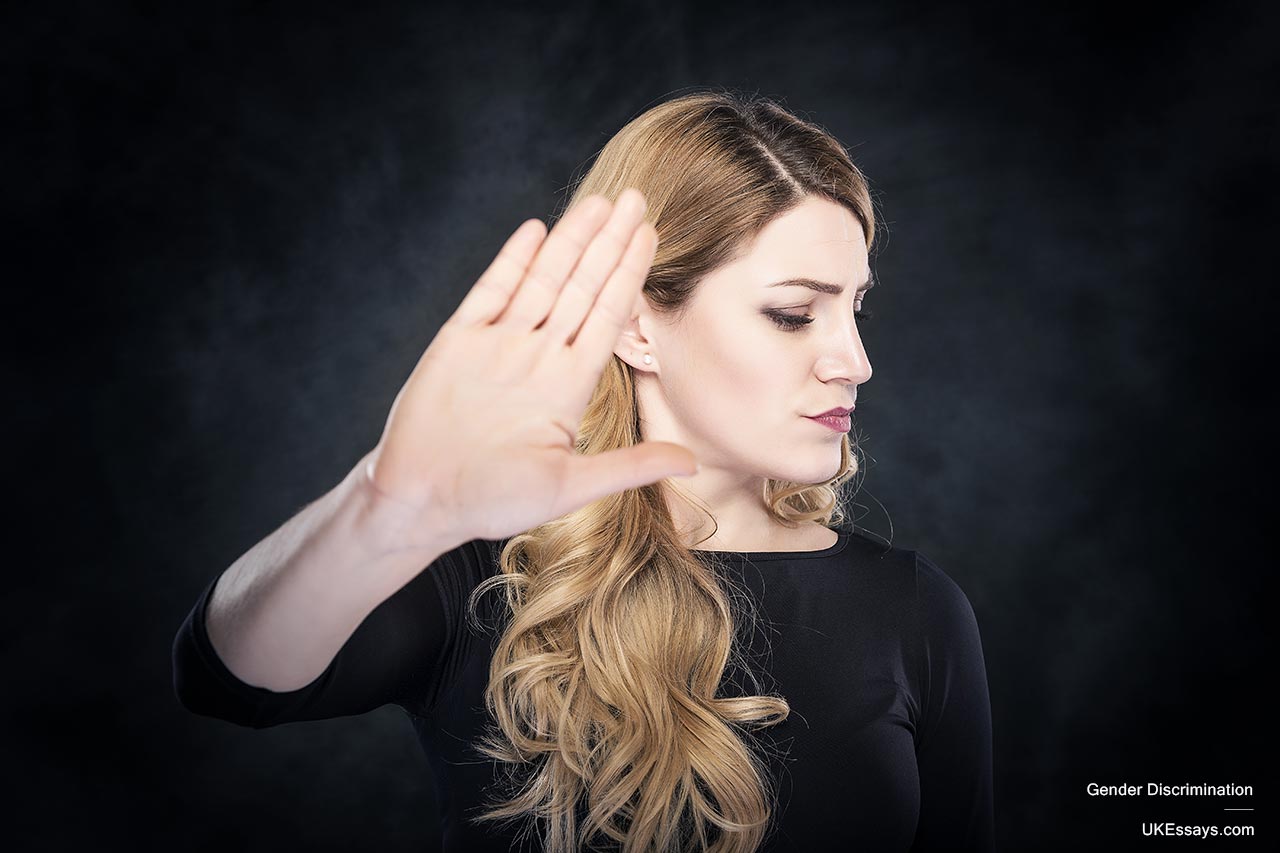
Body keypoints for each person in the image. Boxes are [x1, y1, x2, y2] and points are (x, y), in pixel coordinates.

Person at [172, 89, 995, 852]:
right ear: (638, 327)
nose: (855, 361)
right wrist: (383, 506)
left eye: (855, 306)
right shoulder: (488, 573)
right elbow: (226, 679)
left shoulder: (916, 610)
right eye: (793, 314)